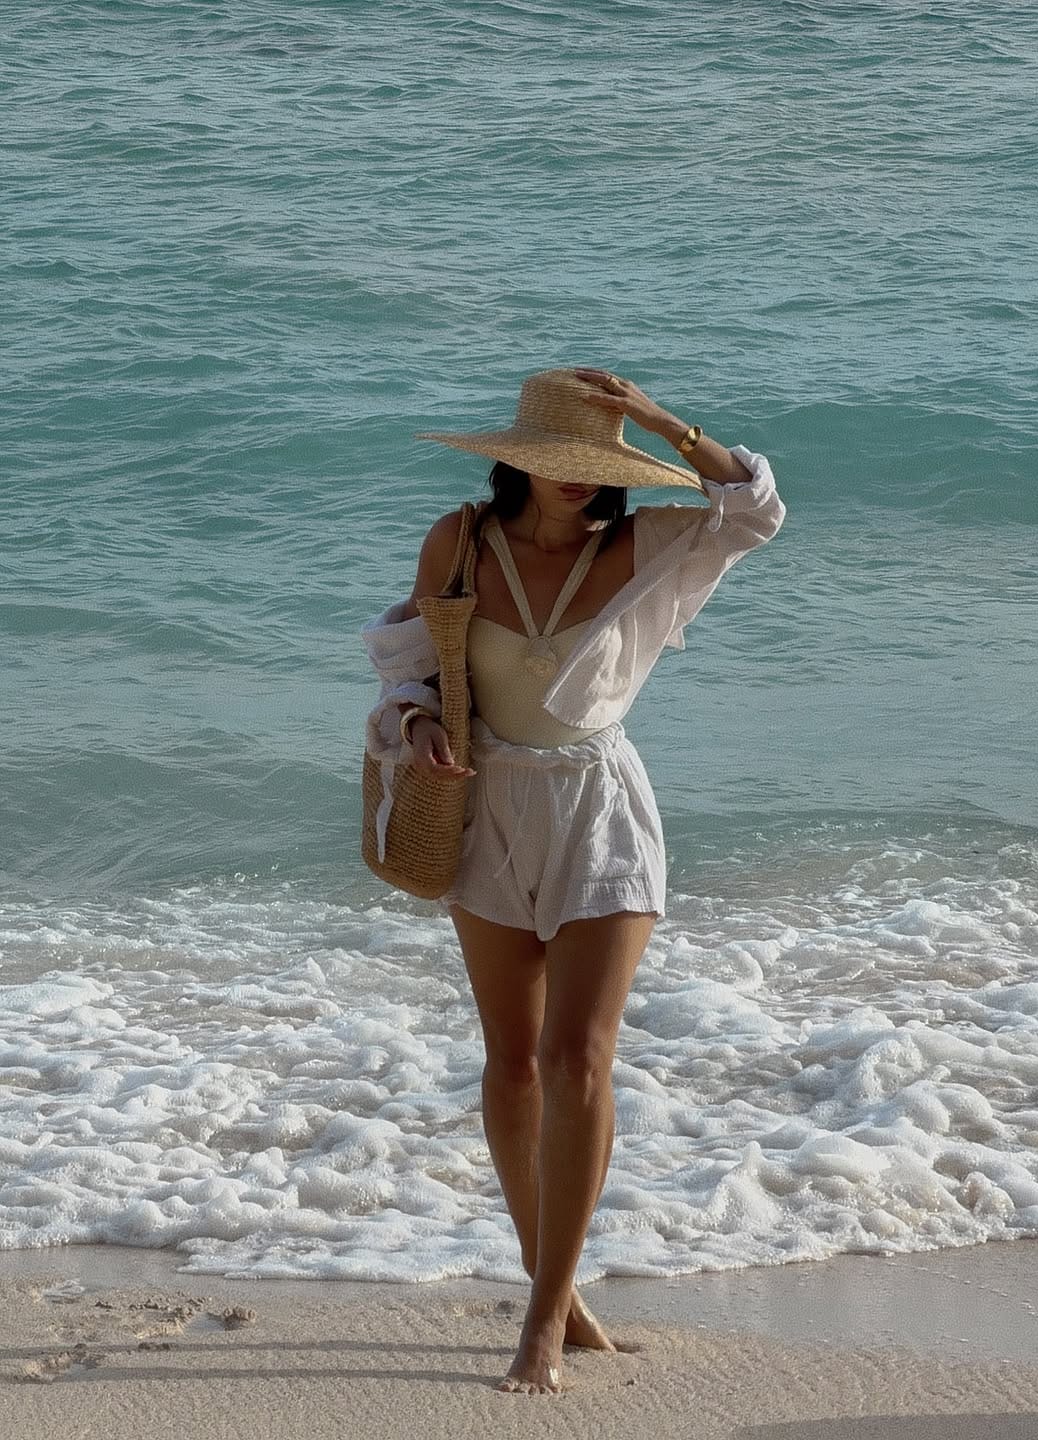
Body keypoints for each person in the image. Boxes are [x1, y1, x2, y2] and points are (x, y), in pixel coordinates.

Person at [362, 366, 785, 1394]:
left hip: (602, 812)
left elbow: (756, 508)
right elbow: (408, 665)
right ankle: (559, 1287)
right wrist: (417, 727)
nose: (579, 484)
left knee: (578, 1056)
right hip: (487, 810)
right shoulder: (461, 540)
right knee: (511, 1065)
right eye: (562, 463)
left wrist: (658, 421)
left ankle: (542, 1326)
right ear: (519, 459)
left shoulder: (646, 546)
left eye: (601, 468)